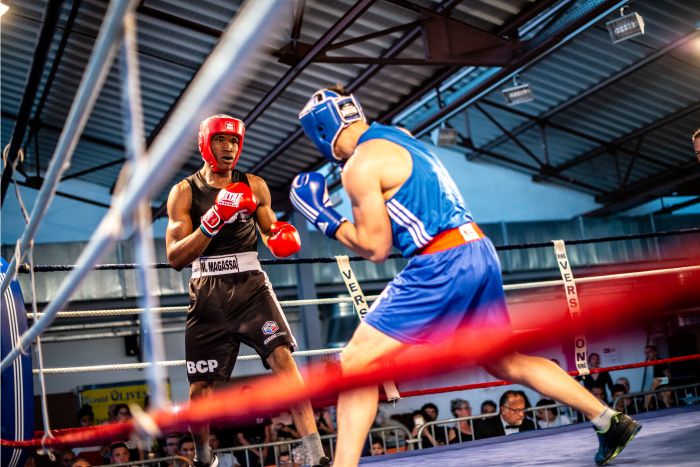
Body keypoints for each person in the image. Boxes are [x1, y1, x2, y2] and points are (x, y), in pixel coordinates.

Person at [291, 86, 641, 467]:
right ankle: (608, 420)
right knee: (504, 361)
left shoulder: (360, 165)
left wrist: (324, 219)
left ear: (321, 132)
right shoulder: (400, 136)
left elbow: (375, 249)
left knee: (357, 360)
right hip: (478, 249)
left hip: (442, 260)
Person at [165, 115, 328, 467]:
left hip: (252, 289)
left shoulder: (254, 185)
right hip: (207, 293)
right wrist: (213, 219)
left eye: (235, 142)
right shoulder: (184, 192)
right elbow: (175, 257)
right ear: (206, 143)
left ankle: (316, 456)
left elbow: (271, 232)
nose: (229, 147)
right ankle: (203, 456)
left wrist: (281, 236)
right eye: (222, 140)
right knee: (200, 388)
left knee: (285, 362)